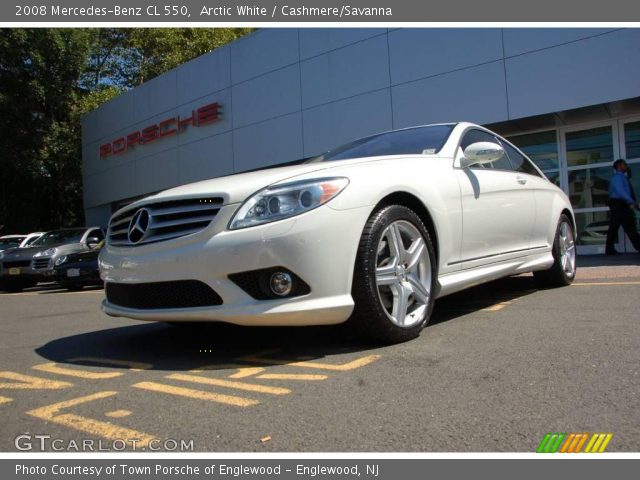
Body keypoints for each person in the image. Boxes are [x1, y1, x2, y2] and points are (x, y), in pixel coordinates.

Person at [605, 159, 640, 254]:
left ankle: (609, 249)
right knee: (630, 226)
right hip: (619, 204)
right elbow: (620, 191)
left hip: (619, 204)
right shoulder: (617, 178)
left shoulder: (621, 178)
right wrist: (631, 201)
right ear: (619, 166)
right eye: (625, 164)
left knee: (614, 227)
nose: (627, 166)